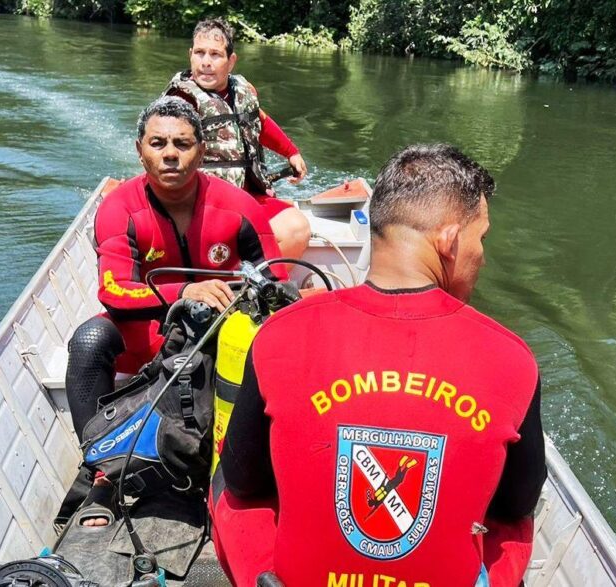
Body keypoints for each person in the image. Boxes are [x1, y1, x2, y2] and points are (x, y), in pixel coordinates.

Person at [214, 144, 547, 586]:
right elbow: (517, 504)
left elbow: (242, 481)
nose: (482, 256)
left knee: (225, 485)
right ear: (449, 241)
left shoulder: (280, 333)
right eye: (480, 238)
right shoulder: (512, 358)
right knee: (515, 530)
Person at [64, 96, 286, 526]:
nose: (170, 153)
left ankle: (248, 469)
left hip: (217, 339)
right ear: (140, 149)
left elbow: (274, 280)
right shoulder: (119, 208)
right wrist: (186, 291)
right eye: (158, 142)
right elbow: (114, 294)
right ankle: (101, 477)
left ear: (201, 151)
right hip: (144, 337)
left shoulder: (239, 206)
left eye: (182, 144)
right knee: (89, 339)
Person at [163, 18, 311, 260]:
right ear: (190, 55)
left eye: (215, 55)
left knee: (297, 228)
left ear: (231, 61)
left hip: (248, 197)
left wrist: (291, 152)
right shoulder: (181, 101)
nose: (206, 62)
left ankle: (259, 291)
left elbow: (259, 121)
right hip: (201, 205)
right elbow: (164, 155)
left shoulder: (243, 90)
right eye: (199, 53)